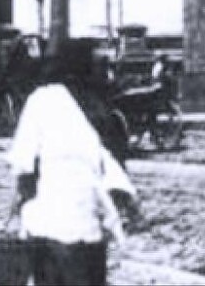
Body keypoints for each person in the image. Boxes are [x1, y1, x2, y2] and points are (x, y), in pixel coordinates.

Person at [9, 40, 140, 286]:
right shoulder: (96, 105)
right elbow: (113, 161)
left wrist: (18, 205)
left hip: (49, 219)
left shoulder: (41, 99)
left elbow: (23, 161)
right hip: (87, 222)